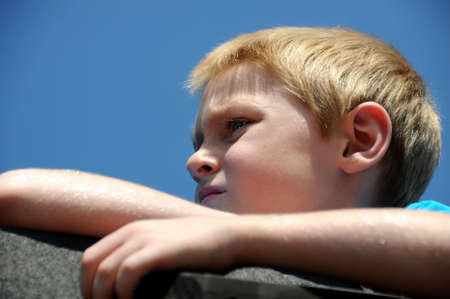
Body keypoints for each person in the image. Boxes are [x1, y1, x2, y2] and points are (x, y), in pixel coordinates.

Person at [1, 27, 449, 299]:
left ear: (358, 141)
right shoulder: (227, 238)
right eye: (199, 141)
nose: (195, 160)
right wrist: (206, 229)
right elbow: (18, 191)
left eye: (235, 126)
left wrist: (234, 237)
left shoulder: (423, 228)